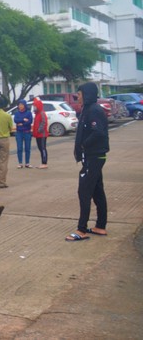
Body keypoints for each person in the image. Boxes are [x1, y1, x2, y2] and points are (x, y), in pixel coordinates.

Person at [67, 82, 109, 242]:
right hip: (92, 157)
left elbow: (99, 133)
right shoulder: (88, 109)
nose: (77, 96)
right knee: (97, 191)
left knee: (84, 192)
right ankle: (100, 226)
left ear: (88, 94)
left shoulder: (94, 110)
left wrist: (84, 145)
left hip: (94, 157)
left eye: (80, 94)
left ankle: (81, 229)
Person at [0, 96, 13, 188]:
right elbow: (11, 128)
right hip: (4, 139)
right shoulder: (7, 115)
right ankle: (2, 181)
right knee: (3, 161)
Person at [13, 99, 33, 168]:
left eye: (21, 105)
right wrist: (23, 120)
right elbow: (16, 120)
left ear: (25, 105)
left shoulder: (28, 113)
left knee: (27, 148)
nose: (20, 106)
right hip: (19, 133)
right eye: (19, 105)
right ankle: (20, 163)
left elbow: (30, 121)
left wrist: (22, 123)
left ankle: (27, 163)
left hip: (27, 132)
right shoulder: (17, 113)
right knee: (19, 148)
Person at [31, 97, 49, 169]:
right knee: (40, 148)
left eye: (35, 106)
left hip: (42, 134)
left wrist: (39, 130)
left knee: (43, 148)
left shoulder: (41, 113)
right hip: (38, 134)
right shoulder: (37, 114)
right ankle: (43, 162)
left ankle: (44, 163)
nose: (34, 108)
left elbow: (44, 122)